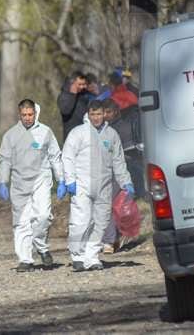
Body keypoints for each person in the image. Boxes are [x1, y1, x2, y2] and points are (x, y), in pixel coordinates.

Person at [61, 100, 134, 271]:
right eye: (93, 114)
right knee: (81, 220)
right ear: (88, 114)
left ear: (104, 114)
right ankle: (77, 256)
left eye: (99, 114)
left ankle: (91, 257)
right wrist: (69, 180)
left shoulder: (111, 134)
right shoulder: (78, 133)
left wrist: (126, 181)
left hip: (104, 185)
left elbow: (118, 161)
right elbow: (68, 156)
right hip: (82, 185)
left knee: (101, 222)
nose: (96, 118)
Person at [0, 99, 65, 272]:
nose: (28, 118)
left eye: (30, 114)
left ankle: (41, 246)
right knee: (21, 222)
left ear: (35, 113)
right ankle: (25, 260)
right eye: (24, 115)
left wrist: (61, 180)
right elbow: (5, 160)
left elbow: (55, 157)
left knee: (43, 216)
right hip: (19, 183)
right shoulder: (11, 135)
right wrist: (3, 181)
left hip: (41, 181)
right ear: (19, 114)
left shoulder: (45, 132)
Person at [101, 98, 144, 253]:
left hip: (125, 171)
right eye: (104, 112)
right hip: (107, 173)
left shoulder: (122, 128)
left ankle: (123, 235)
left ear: (116, 112)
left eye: (108, 112)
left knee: (122, 206)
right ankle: (112, 239)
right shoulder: (103, 129)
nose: (105, 115)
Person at [57, 71, 89, 141]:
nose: (82, 87)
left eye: (84, 84)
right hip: (71, 138)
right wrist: (72, 94)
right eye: (80, 84)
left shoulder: (84, 95)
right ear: (72, 83)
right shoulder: (64, 96)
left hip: (85, 136)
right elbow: (65, 110)